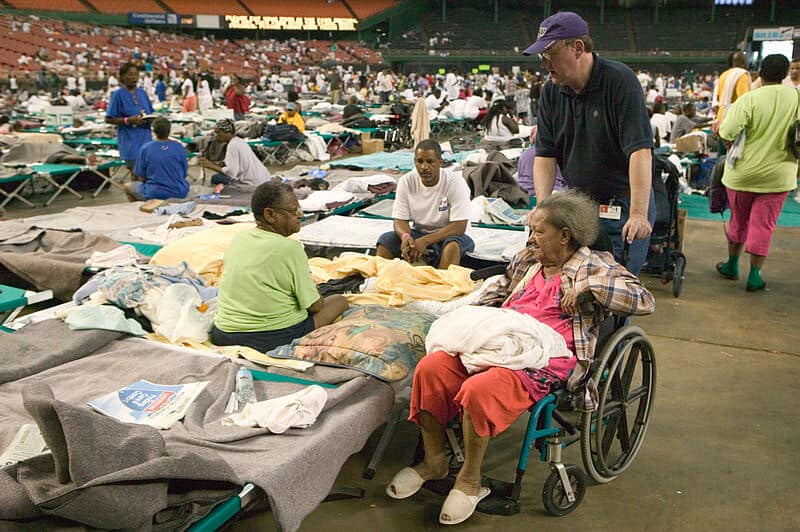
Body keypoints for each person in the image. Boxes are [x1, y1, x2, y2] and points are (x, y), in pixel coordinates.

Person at [385, 190, 655, 525]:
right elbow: (501, 291)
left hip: (545, 357)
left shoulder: (592, 266)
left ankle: (470, 480)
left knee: (480, 389)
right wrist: (459, 308)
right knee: (431, 367)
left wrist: (590, 291)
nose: (531, 239)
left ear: (565, 235)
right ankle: (435, 460)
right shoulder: (529, 259)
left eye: (539, 232)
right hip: (499, 342)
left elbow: (643, 300)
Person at [526, 11, 655, 275]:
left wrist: (639, 214)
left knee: (613, 282)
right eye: (542, 56)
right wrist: (543, 208)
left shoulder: (619, 81)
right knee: (574, 279)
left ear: (577, 48)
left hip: (622, 203)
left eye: (550, 53)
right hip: (579, 204)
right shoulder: (551, 91)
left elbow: (640, 151)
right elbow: (545, 155)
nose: (544, 62)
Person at [211, 182, 349, 352]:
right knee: (339, 300)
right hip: (270, 337)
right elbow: (315, 306)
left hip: (224, 334)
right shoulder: (291, 248)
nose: (300, 215)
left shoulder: (240, 238)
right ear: (270, 215)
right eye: (293, 211)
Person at [715, 54, 799, 292]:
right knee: (764, 226)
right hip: (779, 176)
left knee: (738, 220)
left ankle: (731, 265)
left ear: (760, 73)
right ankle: (755, 275)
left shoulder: (749, 99)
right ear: (784, 75)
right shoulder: (797, 98)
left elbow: (728, 132)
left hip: (742, 174)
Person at [376, 139, 474, 270]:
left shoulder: (455, 182)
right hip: (418, 234)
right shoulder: (406, 181)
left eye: (430, 162)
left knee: (452, 247)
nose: (424, 167)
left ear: (440, 162)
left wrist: (425, 241)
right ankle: (383, 280)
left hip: (449, 236)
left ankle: (442, 285)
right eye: (420, 161)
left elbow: (459, 227)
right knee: (385, 241)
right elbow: (399, 220)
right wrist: (406, 237)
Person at [125, 117, 189, 201]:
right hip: (179, 192)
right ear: (169, 131)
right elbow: (184, 174)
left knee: (127, 187)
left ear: (153, 131)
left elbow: (141, 177)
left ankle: (143, 209)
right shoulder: (179, 147)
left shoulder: (146, 148)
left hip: (154, 192)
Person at [105, 62, 154, 170]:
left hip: (146, 139)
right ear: (122, 77)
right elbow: (108, 119)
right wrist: (128, 120)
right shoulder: (118, 95)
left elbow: (150, 112)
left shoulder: (142, 93)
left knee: (148, 175)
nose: (134, 77)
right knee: (137, 175)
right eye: (130, 74)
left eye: (136, 74)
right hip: (130, 141)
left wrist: (151, 119)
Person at [197, 119, 271, 186]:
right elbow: (235, 162)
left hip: (253, 183)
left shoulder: (232, 146)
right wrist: (219, 164)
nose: (216, 136)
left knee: (216, 178)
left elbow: (231, 173)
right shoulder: (239, 141)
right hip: (264, 178)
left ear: (227, 133)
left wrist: (210, 165)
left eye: (218, 132)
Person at [713, 51, 750, 155]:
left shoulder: (723, 75)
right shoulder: (742, 75)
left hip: (721, 121)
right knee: (733, 160)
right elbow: (744, 100)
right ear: (743, 62)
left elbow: (718, 98)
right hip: (734, 123)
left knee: (721, 158)